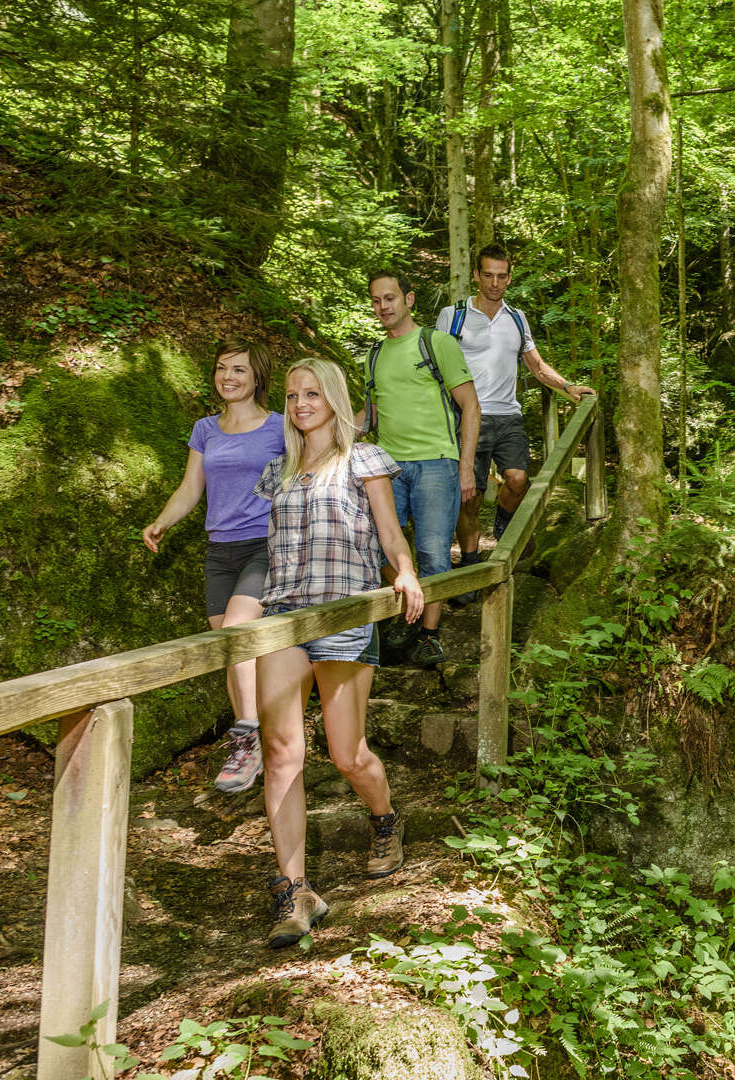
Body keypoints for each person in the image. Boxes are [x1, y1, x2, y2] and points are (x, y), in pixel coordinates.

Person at [253, 357, 425, 948]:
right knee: (280, 753)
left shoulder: (363, 459)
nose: (301, 403)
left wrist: (406, 573)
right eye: (293, 395)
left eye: (313, 393)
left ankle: (384, 821)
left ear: (334, 397)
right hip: (282, 618)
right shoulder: (277, 471)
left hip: (344, 612)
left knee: (347, 754)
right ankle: (294, 888)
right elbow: (266, 551)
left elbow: (389, 530)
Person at [142, 342, 285, 794]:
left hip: (265, 544)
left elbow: (314, 466)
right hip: (219, 551)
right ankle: (257, 739)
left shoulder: (281, 427)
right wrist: (162, 520)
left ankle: (246, 736)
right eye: (222, 368)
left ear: (257, 377)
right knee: (231, 649)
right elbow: (191, 487)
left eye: (239, 369)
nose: (228, 376)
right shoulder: (205, 429)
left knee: (238, 634)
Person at [438, 242, 593, 586]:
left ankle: (505, 527)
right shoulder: (454, 316)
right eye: (488, 275)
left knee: (519, 479)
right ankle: (470, 564)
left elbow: (536, 366)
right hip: (468, 416)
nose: (494, 283)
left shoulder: (517, 318)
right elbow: (438, 369)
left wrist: (568, 387)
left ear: (509, 278)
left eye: (501, 276)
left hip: (508, 415)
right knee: (471, 499)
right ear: (476, 275)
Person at [357, 267, 481, 668]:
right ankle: (403, 615)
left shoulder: (436, 343)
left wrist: (465, 467)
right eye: (376, 300)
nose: (383, 307)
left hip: (436, 463)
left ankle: (429, 635)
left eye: (390, 298)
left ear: (408, 299)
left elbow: (471, 406)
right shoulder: (374, 356)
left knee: (432, 553)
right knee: (381, 548)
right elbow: (369, 417)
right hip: (387, 466)